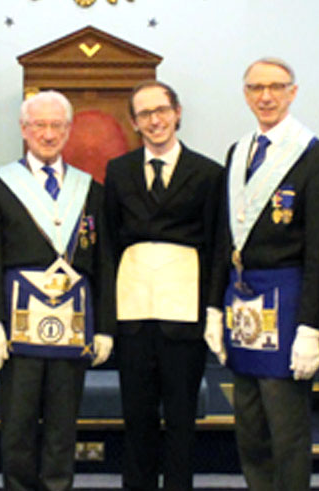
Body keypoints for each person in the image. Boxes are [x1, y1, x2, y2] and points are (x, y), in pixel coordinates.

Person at [203, 57, 319, 491]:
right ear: (245, 94)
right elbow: (226, 235)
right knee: (250, 423)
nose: (266, 96)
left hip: (286, 301)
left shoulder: (314, 155)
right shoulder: (238, 151)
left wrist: (312, 327)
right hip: (242, 298)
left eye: (276, 87)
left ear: (293, 92)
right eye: (256, 88)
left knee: (286, 427)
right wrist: (213, 308)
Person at [0, 90, 114, 491]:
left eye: (56, 126)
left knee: (62, 427)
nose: (47, 134)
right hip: (16, 331)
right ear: (24, 129)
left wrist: (105, 326)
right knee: (17, 427)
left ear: (68, 131)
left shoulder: (91, 191)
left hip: (73, 327)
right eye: (39, 125)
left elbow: (103, 263)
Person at [103, 80, 222, 491]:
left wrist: (212, 311)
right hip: (134, 317)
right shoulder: (118, 172)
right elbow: (111, 242)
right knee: (136, 419)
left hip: (184, 317)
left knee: (181, 420)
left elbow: (215, 246)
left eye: (161, 111)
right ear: (134, 122)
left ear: (177, 112)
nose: (155, 121)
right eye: (144, 114)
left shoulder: (208, 173)